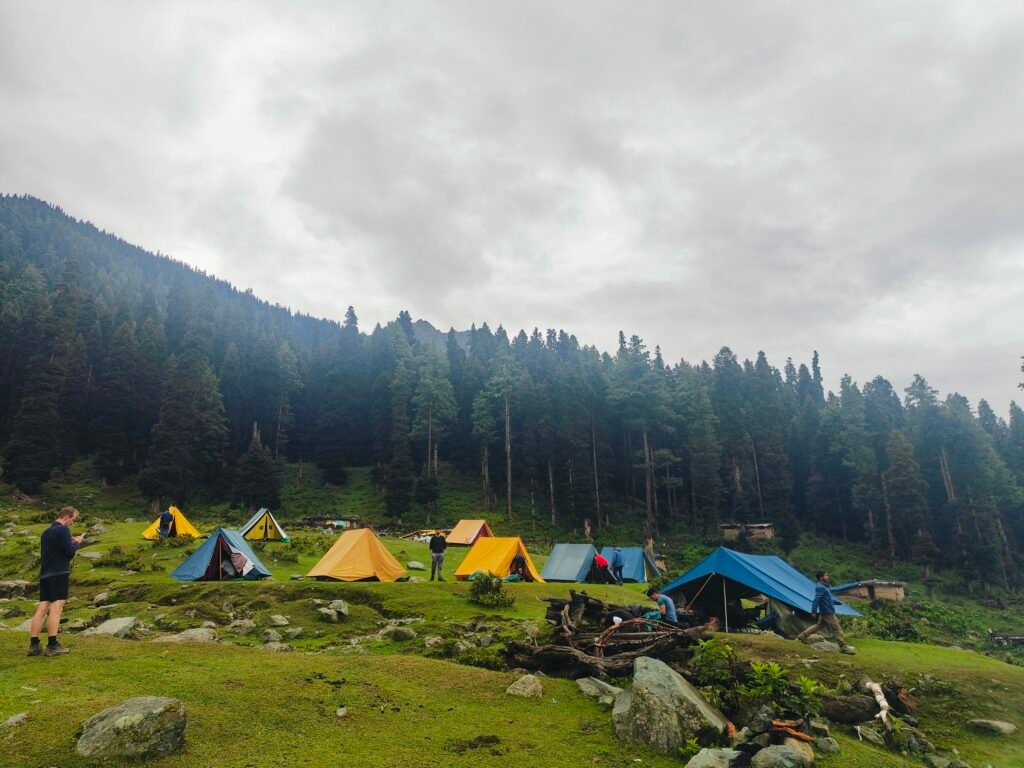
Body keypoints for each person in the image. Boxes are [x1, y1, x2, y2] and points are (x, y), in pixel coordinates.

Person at [27, 506, 83, 657]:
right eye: (73, 519)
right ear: (67, 517)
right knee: (57, 607)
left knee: (42, 607)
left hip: (45, 574)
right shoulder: (63, 530)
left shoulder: (46, 532)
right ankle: (52, 645)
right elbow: (69, 553)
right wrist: (77, 542)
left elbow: (55, 549)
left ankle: (34, 645)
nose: (72, 523)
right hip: (59, 572)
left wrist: (68, 542)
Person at [796, 570, 856, 654]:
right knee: (837, 629)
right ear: (821, 577)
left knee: (819, 625)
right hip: (827, 612)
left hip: (825, 610)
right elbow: (816, 600)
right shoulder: (820, 587)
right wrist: (813, 611)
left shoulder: (824, 587)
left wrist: (837, 602)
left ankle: (803, 635)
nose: (827, 577)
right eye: (826, 575)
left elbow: (827, 599)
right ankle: (843, 647)